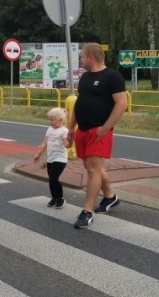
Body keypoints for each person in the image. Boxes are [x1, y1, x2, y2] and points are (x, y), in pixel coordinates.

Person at [66, 42, 127, 229]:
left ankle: (87, 211)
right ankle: (110, 197)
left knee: (93, 170)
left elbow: (121, 104)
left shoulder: (113, 76)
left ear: (91, 57)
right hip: (82, 130)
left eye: (82, 57)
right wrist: (71, 128)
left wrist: (106, 128)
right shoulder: (84, 78)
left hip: (99, 131)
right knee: (91, 166)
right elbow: (78, 104)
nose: (81, 60)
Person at [33, 107, 70, 209]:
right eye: (49, 119)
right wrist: (38, 154)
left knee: (54, 178)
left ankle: (60, 198)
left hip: (60, 159)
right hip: (50, 159)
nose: (50, 122)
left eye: (52, 120)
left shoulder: (64, 131)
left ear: (61, 120)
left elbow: (67, 145)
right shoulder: (49, 130)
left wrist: (70, 141)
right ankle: (54, 197)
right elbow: (44, 143)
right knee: (51, 179)